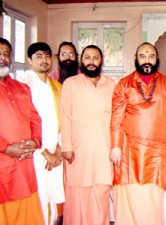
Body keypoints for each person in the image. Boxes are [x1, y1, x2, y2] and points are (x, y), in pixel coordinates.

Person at [110, 42, 166, 225]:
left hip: (157, 153)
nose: (147, 60)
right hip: (129, 152)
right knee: (128, 197)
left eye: (151, 56)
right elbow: (117, 119)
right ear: (136, 59)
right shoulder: (123, 84)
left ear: (157, 59)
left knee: (152, 200)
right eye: (142, 56)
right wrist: (115, 146)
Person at [60, 44, 115, 225]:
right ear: (81, 61)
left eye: (95, 58)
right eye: (87, 58)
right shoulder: (71, 84)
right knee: (77, 197)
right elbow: (65, 116)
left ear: (101, 61)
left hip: (103, 153)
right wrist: (66, 147)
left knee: (101, 195)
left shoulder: (110, 84)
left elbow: (116, 119)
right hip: (78, 152)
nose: (91, 62)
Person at [19, 42, 65, 225]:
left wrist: (58, 151)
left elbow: (63, 118)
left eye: (47, 56)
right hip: (36, 154)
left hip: (54, 152)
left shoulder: (56, 86)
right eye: (38, 56)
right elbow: (23, 122)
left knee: (52, 198)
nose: (44, 60)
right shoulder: (23, 85)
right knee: (38, 197)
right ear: (29, 60)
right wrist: (45, 153)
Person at [0, 38, 44, 224]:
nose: (3, 58)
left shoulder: (21, 87)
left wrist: (35, 142)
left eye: (6, 54)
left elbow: (35, 119)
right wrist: (6, 147)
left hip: (24, 166)